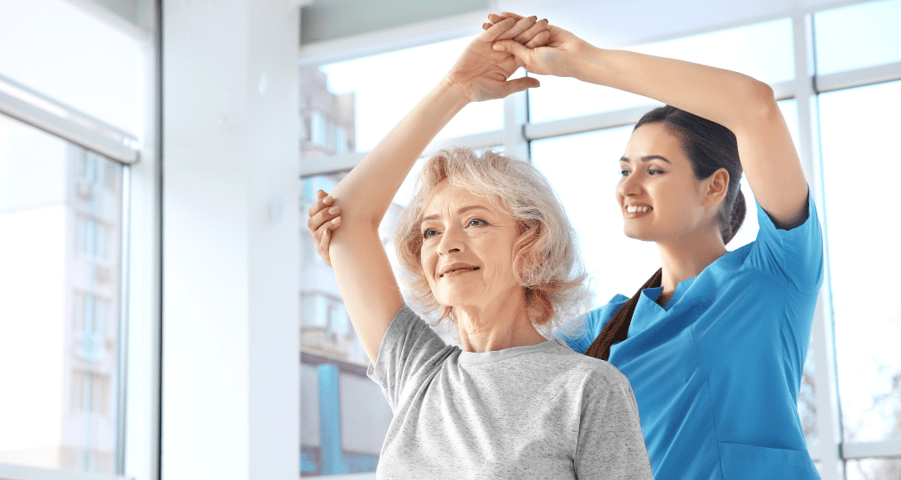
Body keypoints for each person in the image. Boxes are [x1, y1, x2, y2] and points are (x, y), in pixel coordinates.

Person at [309, 13, 823, 480]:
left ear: (716, 186)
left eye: (654, 170)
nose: (627, 186)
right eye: (623, 169)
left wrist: (584, 63)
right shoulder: (600, 333)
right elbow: (516, 366)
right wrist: (457, 88)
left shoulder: (773, 278)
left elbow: (754, 107)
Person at [309, 15, 654, 480]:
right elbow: (346, 218)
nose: (447, 245)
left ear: (530, 244)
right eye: (431, 232)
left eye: (475, 222)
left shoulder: (587, 387)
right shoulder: (417, 370)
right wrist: (456, 88)